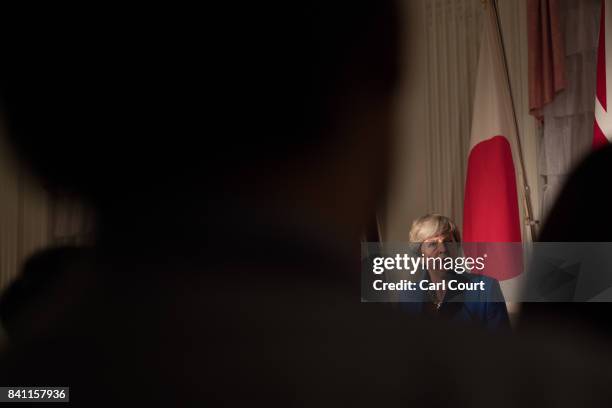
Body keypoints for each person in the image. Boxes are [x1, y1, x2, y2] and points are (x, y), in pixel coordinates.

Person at [0, 3, 611, 407]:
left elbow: (558, 279)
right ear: (376, 85)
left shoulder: (32, 386)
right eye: (421, 246)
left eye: (438, 246)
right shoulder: (537, 388)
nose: (429, 255)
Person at [399, 214, 510, 330]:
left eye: (448, 242)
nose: (443, 249)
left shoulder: (486, 289)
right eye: (432, 244)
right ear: (420, 255)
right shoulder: (407, 296)